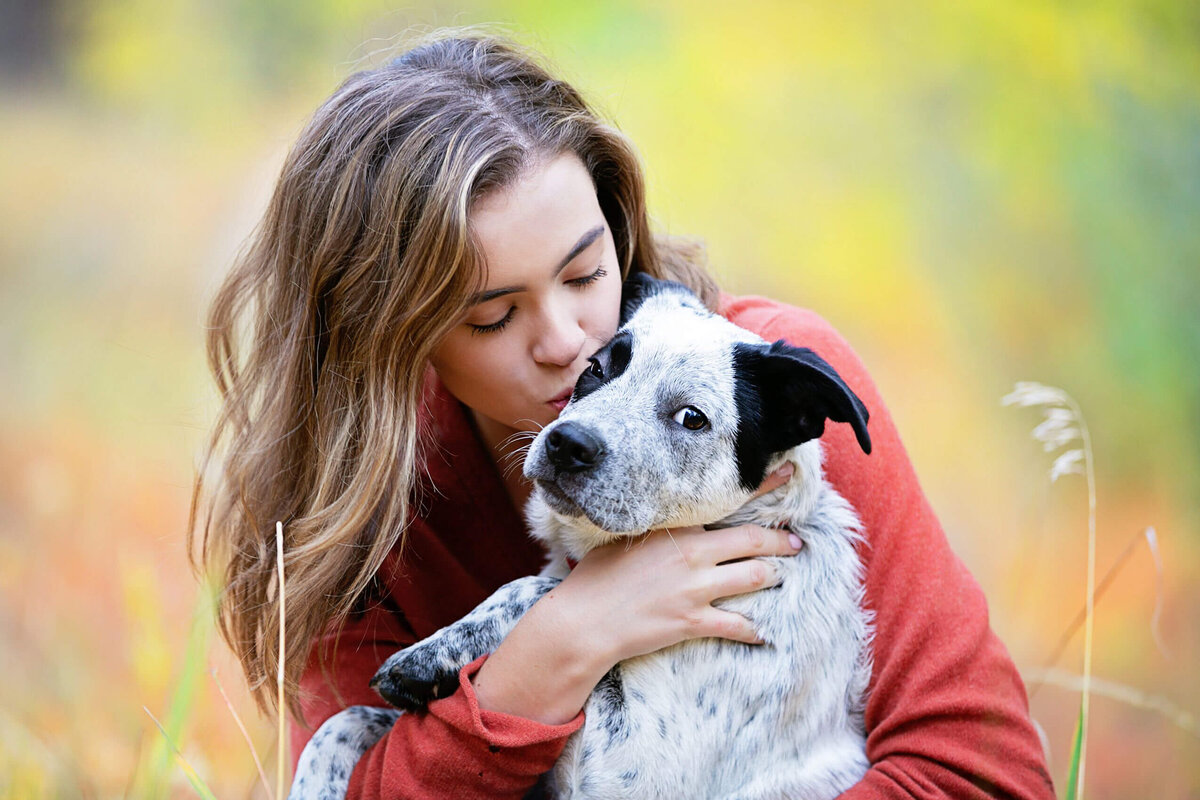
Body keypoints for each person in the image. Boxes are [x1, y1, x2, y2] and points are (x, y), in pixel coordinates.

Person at [190, 30, 1055, 799]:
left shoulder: (770, 403)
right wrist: (555, 645)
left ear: (616, 226)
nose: (567, 343)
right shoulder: (364, 504)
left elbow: (984, 773)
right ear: (394, 340)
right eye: (493, 317)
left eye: (584, 274)